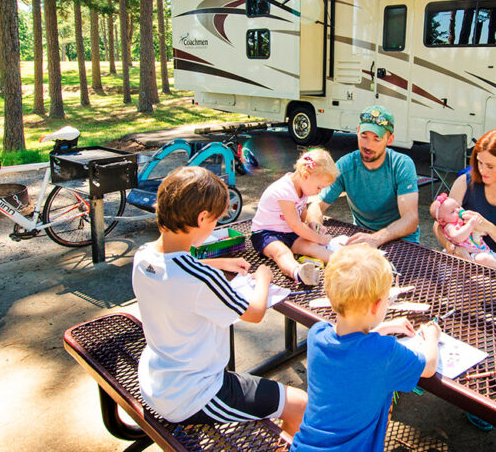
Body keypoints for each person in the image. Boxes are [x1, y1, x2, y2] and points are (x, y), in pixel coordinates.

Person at [131, 166, 307, 436]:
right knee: (303, 405)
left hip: (158, 378)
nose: (216, 226)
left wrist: (217, 261)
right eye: (216, 221)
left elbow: (177, 267)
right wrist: (263, 278)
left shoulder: (143, 256)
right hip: (195, 394)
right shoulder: (200, 279)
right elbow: (254, 312)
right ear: (202, 218)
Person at [290, 244, 440, 452]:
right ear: (377, 306)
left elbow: (348, 342)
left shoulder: (316, 334)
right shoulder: (384, 352)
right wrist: (432, 337)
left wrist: (383, 327)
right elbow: (429, 366)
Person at [307, 105, 419, 248]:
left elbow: (410, 220)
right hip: (362, 235)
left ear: (390, 140)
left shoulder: (401, 165)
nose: (368, 145)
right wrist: (315, 225)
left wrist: (377, 238)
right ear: (358, 131)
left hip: (401, 239)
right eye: (364, 136)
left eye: (376, 139)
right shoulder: (345, 165)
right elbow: (317, 204)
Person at [432, 128, 496, 272]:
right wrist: (453, 248)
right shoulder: (465, 182)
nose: (482, 170)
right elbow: (439, 224)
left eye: (490, 166)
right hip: (461, 260)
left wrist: (488, 227)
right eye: (479, 163)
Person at [251, 148, 339, 285]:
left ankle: (344, 261)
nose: (319, 192)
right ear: (305, 175)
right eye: (319, 187)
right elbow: (295, 225)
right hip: (265, 234)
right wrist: (321, 238)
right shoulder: (284, 190)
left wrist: (311, 225)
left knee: (311, 246)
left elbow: (301, 215)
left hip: (288, 232)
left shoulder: (303, 188)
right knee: (282, 252)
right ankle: (297, 272)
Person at [430, 193, 496, 272]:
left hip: (483, 251)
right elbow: (458, 238)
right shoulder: (449, 226)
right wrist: (471, 225)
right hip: (470, 256)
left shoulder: (462, 221)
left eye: (458, 207)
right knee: (485, 259)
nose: (458, 210)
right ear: (442, 221)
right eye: (452, 211)